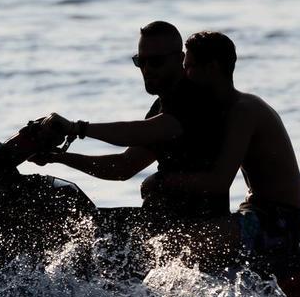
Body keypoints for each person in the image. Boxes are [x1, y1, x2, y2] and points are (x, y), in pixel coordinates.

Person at [42, 31, 300, 273]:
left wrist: (160, 181)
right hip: (248, 212)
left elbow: (218, 182)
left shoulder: (242, 110)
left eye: (188, 66)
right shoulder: (209, 110)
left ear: (212, 68)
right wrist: (59, 158)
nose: (184, 73)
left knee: (173, 249)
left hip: (277, 221)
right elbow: (124, 165)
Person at [31, 20, 231, 221]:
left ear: (179, 59)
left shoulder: (194, 99)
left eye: (155, 62)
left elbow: (138, 133)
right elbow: (123, 166)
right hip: (159, 220)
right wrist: (57, 157)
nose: (147, 69)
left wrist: (76, 128)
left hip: (195, 226)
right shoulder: (161, 106)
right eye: (140, 61)